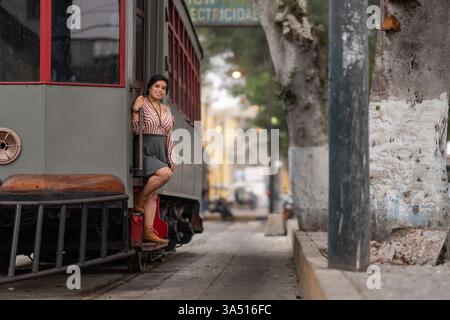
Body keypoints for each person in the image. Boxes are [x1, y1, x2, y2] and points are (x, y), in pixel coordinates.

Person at [132, 74, 175, 244]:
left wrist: (171, 157)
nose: (160, 90)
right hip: (144, 147)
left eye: (163, 88)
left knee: (154, 193)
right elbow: (136, 130)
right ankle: (139, 199)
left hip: (160, 149)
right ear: (149, 87)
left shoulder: (166, 109)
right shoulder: (142, 102)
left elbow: (169, 135)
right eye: (156, 86)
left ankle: (148, 231)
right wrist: (135, 111)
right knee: (165, 174)